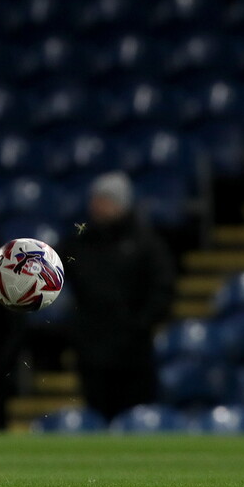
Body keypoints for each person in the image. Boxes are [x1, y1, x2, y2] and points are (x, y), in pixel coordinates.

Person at [57, 171, 176, 424]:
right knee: (97, 416)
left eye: (105, 199)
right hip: (91, 349)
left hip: (133, 352)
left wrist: (139, 325)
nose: (97, 206)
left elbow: (163, 289)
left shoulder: (145, 243)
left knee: (136, 417)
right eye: (96, 199)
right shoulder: (80, 241)